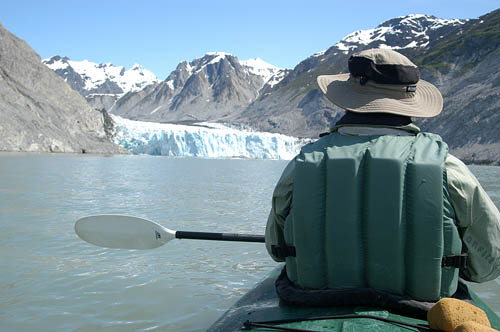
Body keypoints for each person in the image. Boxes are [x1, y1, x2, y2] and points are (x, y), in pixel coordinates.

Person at [265, 49, 500, 305]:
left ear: (348, 99)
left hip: (316, 298)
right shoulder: (447, 167)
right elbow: (489, 262)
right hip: (422, 307)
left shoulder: (302, 164)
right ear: (409, 101)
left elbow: (276, 248)